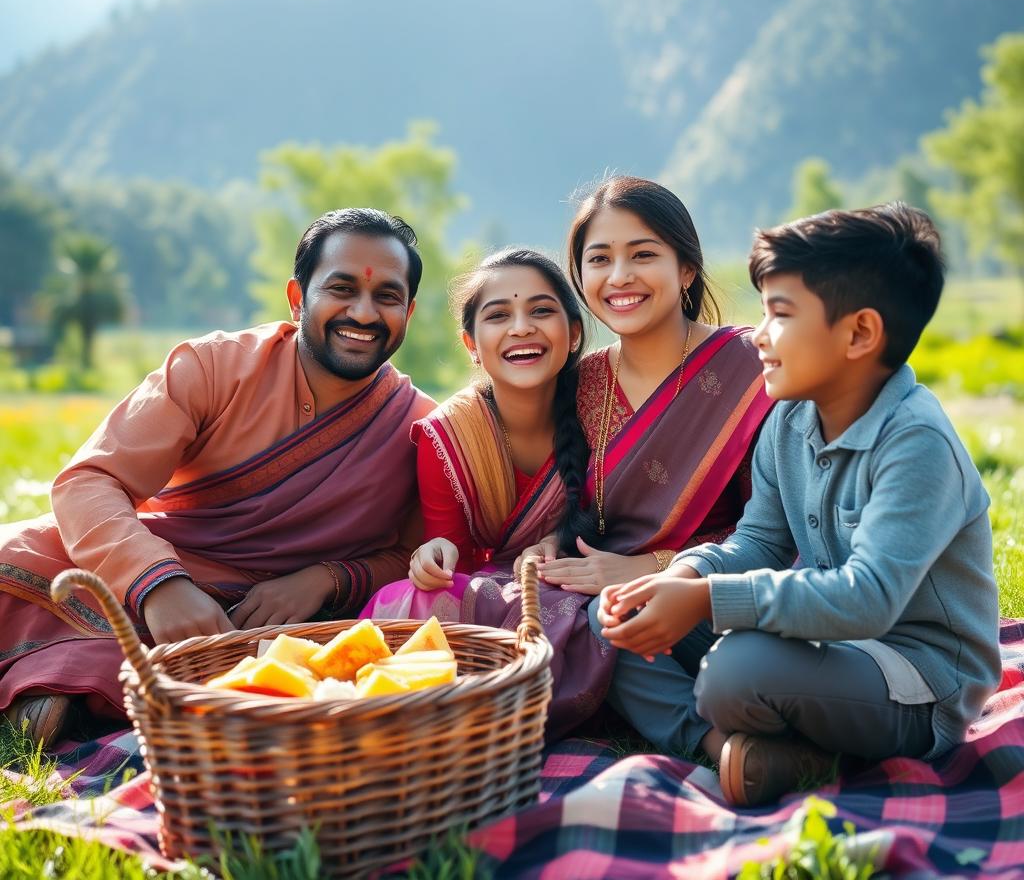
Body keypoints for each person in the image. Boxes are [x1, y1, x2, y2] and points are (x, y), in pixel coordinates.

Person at [597, 203, 1001, 807]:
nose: (758, 334)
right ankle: (728, 750)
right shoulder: (788, 417)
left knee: (736, 672)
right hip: (823, 643)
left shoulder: (917, 443)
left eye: (779, 314)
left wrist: (706, 600)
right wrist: (682, 577)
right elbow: (758, 542)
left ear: (859, 334)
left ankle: (776, 737)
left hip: (917, 678)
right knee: (614, 629)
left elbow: (868, 598)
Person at [0, 208, 436, 746]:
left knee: (323, 653)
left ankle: (71, 690)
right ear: (298, 298)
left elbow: (414, 556)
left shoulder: (421, 427)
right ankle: (78, 689)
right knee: (15, 558)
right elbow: (90, 481)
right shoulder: (213, 367)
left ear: (409, 311)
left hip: (275, 618)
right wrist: (160, 586)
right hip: (161, 569)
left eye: (387, 297)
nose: (363, 312)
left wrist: (326, 578)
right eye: (341, 289)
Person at [361, 248, 602, 737]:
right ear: (471, 344)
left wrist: (556, 542)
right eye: (499, 315)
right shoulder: (446, 436)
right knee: (409, 598)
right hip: (495, 592)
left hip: (584, 580)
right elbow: (457, 560)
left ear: (574, 333)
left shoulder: (606, 409)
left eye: (540, 310)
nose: (521, 328)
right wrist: (434, 555)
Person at [533, 176, 772, 597]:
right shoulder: (583, 381)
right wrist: (553, 546)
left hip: (715, 596)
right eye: (600, 259)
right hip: (592, 585)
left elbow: (776, 530)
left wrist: (654, 566)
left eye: (643, 254)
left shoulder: (751, 365)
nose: (620, 277)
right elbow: (580, 510)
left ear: (686, 269)